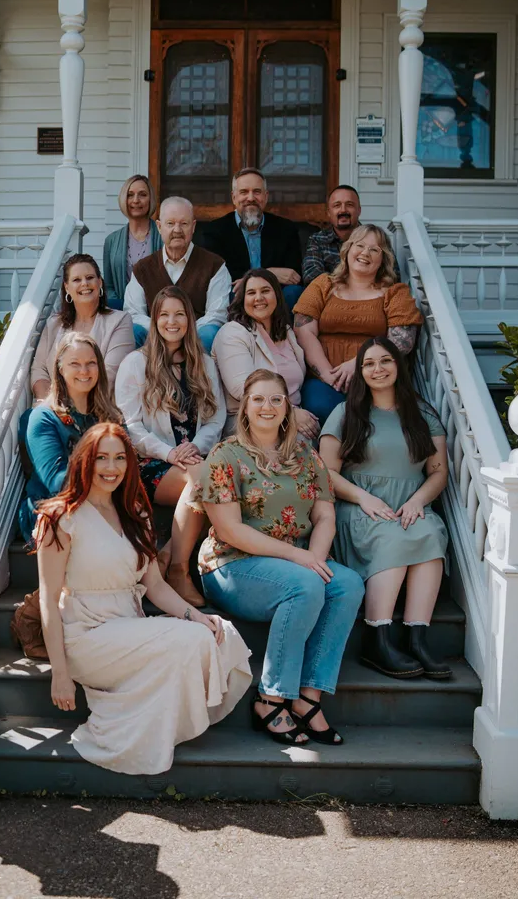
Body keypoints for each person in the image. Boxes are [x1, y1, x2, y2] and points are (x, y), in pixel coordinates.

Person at [34, 422, 252, 776]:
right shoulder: (59, 517)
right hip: (85, 635)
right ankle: (132, 732)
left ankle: (153, 727)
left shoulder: (136, 513)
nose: (111, 467)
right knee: (190, 641)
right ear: (84, 461)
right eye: (101, 458)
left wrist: (194, 615)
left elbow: (156, 585)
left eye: (120, 458)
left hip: (128, 628)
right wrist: (59, 673)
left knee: (214, 631)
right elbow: (48, 599)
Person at [189, 369, 364, 746]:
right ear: (245, 408)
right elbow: (231, 530)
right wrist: (300, 561)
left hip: (296, 561)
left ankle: (307, 697)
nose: (267, 406)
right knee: (305, 586)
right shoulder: (225, 455)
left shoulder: (306, 454)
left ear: (287, 407)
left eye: (275, 399)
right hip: (232, 563)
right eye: (258, 399)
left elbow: (324, 515)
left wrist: (316, 557)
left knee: (348, 584)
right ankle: (270, 696)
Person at [319, 337, 451, 681]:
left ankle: (416, 638)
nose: (377, 369)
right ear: (360, 372)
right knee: (391, 540)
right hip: (362, 506)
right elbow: (324, 472)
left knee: (431, 534)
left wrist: (419, 500)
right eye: (368, 364)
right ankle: (377, 639)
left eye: (385, 361)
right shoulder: (347, 412)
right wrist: (363, 498)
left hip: (410, 503)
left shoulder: (422, 413)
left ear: (398, 366)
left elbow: (438, 472)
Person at [115, 286, 226, 607]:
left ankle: (167, 559)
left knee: (210, 482)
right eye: (164, 314)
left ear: (190, 320)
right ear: (154, 320)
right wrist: (170, 453)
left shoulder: (203, 364)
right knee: (210, 484)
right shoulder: (136, 363)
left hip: (196, 459)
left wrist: (191, 449)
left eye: (179, 314)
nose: (172, 321)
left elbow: (216, 420)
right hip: (152, 463)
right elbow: (130, 426)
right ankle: (179, 570)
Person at [294, 224, 422, 425]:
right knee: (322, 407)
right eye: (360, 245)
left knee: (372, 417)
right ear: (347, 250)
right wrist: (328, 375)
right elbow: (304, 331)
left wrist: (359, 364)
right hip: (324, 378)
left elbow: (402, 341)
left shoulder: (395, 293)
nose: (365, 253)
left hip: (375, 376)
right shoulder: (323, 284)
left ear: (383, 259)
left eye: (374, 249)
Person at [19, 333, 123, 544]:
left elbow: (127, 467)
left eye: (91, 363)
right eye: (75, 363)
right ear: (60, 368)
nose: (84, 371)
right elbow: (58, 482)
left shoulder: (110, 416)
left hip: (102, 504)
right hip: (54, 511)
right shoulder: (43, 418)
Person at [212, 269, 318, 439]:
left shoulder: (286, 332)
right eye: (251, 293)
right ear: (243, 300)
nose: (259, 298)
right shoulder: (232, 333)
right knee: (300, 442)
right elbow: (243, 389)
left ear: (276, 295)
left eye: (265, 291)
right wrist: (290, 414)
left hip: (290, 414)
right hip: (247, 419)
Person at [123, 196, 231, 354]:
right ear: (159, 227)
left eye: (184, 223)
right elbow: (134, 313)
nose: (177, 230)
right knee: (133, 332)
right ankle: (137, 378)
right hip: (154, 335)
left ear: (193, 227)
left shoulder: (214, 265)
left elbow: (217, 314)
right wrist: (164, 329)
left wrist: (183, 330)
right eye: (170, 223)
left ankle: (199, 379)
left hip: (196, 336)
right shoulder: (142, 268)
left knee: (209, 334)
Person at [31, 254, 133, 400]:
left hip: (97, 408)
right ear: (67, 288)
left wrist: (73, 408)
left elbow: (110, 377)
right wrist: (52, 406)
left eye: (90, 277)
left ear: (100, 283)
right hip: (52, 406)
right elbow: (39, 370)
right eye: (76, 280)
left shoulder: (120, 321)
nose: (84, 283)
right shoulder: (53, 323)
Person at [201, 168, 303, 308]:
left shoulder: (286, 229)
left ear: (265, 196)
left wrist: (249, 279)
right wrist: (269, 273)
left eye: (257, 191)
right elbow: (221, 277)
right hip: (237, 296)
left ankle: (282, 329)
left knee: (294, 292)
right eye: (244, 192)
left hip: (275, 296)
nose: (250, 198)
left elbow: (293, 276)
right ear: (234, 197)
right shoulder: (215, 231)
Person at [102, 174, 163, 317]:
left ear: (150, 200)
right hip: (121, 309)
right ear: (124, 199)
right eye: (130, 195)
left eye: (142, 195)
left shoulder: (163, 237)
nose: (136, 200)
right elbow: (109, 286)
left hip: (157, 309)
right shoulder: (111, 240)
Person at [302, 185, 362, 286]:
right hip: (330, 297)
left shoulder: (375, 239)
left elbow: (392, 274)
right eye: (337, 205)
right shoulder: (317, 240)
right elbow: (310, 274)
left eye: (349, 204)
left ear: (359, 210)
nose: (343, 210)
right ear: (329, 212)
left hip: (367, 297)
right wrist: (347, 286)